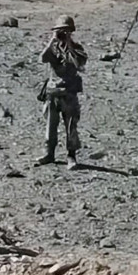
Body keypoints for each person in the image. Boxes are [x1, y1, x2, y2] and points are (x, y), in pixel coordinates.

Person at [36, 14, 88, 170]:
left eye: (66, 31)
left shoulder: (77, 48)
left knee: (71, 126)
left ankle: (71, 156)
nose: (63, 34)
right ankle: (49, 154)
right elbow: (42, 58)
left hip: (69, 92)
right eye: (60, 31)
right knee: (50, 126)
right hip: (53, 92)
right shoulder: (52, 48)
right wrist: (52, 40)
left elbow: (79, 64)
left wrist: (69, 45)